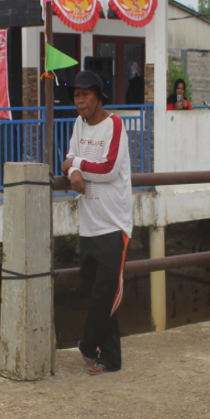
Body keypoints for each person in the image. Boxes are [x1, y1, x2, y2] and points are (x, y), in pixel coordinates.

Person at [63, 70, 134, 376]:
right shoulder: (78, 125)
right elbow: (68, 157)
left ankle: (87, 343)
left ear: (98, 96)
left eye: (85, 95)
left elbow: (108, 169)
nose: (80, 101)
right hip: (88, 224)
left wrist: (75, 166)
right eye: (76, 96)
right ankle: (110, 358)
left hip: (113, 224)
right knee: (95, 292)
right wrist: (70, 172)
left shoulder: (115, 125)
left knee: (106, 292)